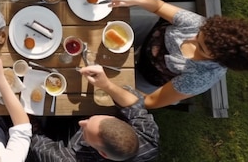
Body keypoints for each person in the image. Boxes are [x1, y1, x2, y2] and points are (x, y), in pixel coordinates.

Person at [110, 0, 248, 108]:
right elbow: (159, 6)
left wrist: (110, 87)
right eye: (198, 35)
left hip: (149, 78)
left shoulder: (201, 77)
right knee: (107, 22)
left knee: (112, 93)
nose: (191, 40)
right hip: (150, 35)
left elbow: (150, 101)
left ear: (219, 60)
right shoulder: (200, 24)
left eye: (200, 48)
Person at [28, 65, 160, 162]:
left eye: (85, 133)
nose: (81, 123)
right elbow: (135, 104)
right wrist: (106, 85)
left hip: (58, 132)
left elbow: (35, 137)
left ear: (102, 154)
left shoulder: (69, 159)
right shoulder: (149, 138)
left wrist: (25, 100)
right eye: (92, 119)